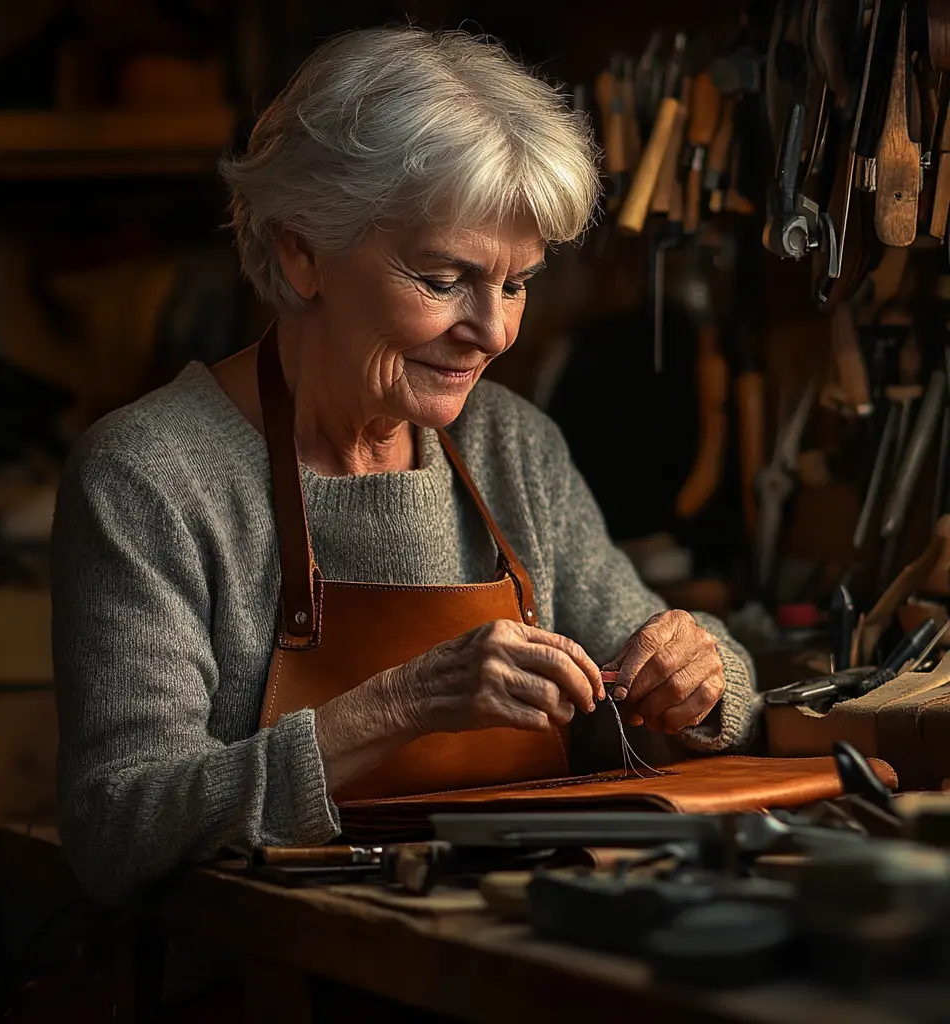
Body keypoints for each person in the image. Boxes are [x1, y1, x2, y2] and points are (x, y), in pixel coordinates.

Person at [52, 25, 757, 908]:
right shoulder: (150, 476)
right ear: (301, 252)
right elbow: (117, 825)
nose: (494, 332)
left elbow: (700, 686)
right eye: (442, 278)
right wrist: (401, 705)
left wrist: (703, 678)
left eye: (516, 283)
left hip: (501, 936)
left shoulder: (514, 447)